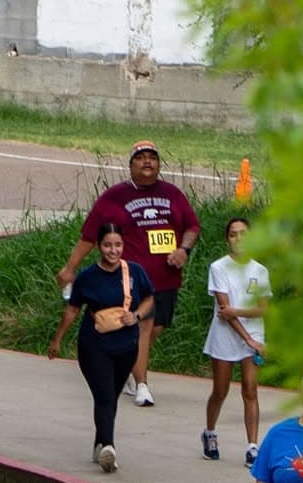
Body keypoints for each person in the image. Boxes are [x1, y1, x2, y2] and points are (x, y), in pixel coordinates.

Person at [55, 139, 198, 408]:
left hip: (167, 279)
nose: (147, 162)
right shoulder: (115, 197)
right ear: (130, 165)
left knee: (155, 329)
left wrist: (183, 250)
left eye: (152, 157)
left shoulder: (173, 194)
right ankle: (142, 385)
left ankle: (128, 366)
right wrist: (70, 268)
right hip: (132, 281)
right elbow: (89, 238)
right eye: (140, 157)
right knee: (142, 328)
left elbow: (192, 226)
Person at [47, 223, 155, 472]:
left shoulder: (135, 272)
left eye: (117, 245)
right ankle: (108, 446)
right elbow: (72, 310)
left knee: (111, 396)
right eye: (107, 245)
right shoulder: (87, 277)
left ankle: (100, 444)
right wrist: (57, 340)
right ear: (98, 246)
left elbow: (150, 298)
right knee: (104, 395)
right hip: (94, 346)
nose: (113, 250)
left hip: (127, 347)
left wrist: (136, 316)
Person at [200, 215, 270, 464]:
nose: (239, 238)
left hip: (253, 335)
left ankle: (252, 447)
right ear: (227, 239)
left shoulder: (260, 271)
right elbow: (224, 310)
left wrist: (250, 335)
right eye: (233, 234)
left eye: (243, 233)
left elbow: (261, 309)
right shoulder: (219, 268)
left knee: (250, 390)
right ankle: (209, 432)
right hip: (225, 337)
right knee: (220, 390)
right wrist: (246, 338)